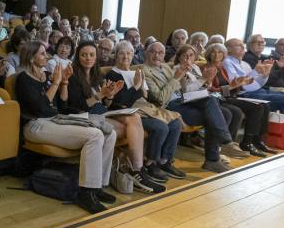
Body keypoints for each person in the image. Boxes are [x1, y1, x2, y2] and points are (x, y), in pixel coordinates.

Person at [14, 40, 117, 214]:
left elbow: (62, 104)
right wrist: (56, 83)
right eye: (42, 53)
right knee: (95, 135)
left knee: (110, 134)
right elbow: (40, 108)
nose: (46, 56)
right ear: (31, 58)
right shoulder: (23, 78)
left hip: (55, 119)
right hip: (35, 125)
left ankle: (98, 186)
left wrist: (64, 83)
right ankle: (86, 193)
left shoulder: (47, 75)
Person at [66, 41, 152, 193]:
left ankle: (136, 168)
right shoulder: (73, 75)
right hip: (84, 115)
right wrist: (101, 95)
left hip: (101, 112)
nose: (88, 58)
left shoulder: (97, 74)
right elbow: (79, 105)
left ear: (96, 57)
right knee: (124, 128)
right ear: (78, 57)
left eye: (91, 55)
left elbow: (107, 103)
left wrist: (110, 96)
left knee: (135, 118)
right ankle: (130, 169)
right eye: (84, 55)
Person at [142, 41, 234, 173]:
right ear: (146, 53)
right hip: (170, 106)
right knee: (214, 110)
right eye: (153, 52)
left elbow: (184, 89)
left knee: (223, 112)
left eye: (160, 53)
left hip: (184, 100)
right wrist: (178, 78)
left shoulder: (166, 67)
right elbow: (160, 98)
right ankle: (221, 147)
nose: (157, 55)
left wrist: (202, 80)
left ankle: (215, 156)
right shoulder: (144, 71)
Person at [106, 41, 183, 191]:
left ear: (133, 55)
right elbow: (119, 103)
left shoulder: (136, 72)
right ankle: (150, 163)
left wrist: (141, 88)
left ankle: (164, 161)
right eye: (121, 53)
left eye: (129, 53)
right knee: (160, 127)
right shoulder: (113, 74)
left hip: (144, 108)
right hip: (127, 112)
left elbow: (145, 96)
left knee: (175, 124)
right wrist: (136, 86)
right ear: (116, 55)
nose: (126, 56)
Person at [223, 38, 284, 149]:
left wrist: (265, 75)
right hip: (242, 93)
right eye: (238, 45)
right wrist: (255, 72)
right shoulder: (227, 62)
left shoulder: (244, 63)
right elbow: (239, 85)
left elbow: (256, 84)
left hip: (255, 90)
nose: (242, 47)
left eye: (242, 44)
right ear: (228, 49)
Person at [173, 45, 250, 159]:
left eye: (191, 55)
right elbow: (186, 91)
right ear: (179, 57)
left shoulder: (196, 67)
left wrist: (208, 81)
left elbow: (206, 87)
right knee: (215, 107)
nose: (188, 58)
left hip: (200, 99)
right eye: (185, 55)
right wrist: (204, 79)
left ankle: (215, 156)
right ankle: (225, 143)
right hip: (185, 101)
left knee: (226, 113)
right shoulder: (177, 69)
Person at [202, 42, 276, 157]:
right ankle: (228, 145)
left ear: (224, 54)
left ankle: (250, 142)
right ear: (208, 54)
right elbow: (211, 90)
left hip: (225, 97)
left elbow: (231, 88)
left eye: (220, 52)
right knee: (238, 111)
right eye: (213, 52)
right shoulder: (206, 68)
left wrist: (240, 85)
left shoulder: (222, 68)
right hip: (216, 98)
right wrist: (234, 86)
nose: (217, 55)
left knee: (260, 106)